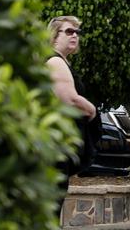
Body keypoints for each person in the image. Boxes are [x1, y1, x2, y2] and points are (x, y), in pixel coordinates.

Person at [47, 16, 98, 213]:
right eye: (69, 31)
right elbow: (69, 99)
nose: (75, 36)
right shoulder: (55, 61)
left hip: (60, 144)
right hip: (55, 145)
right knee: (53, 201)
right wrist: (92, 110)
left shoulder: (61, 61)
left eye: (77, 32)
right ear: (54, 35)